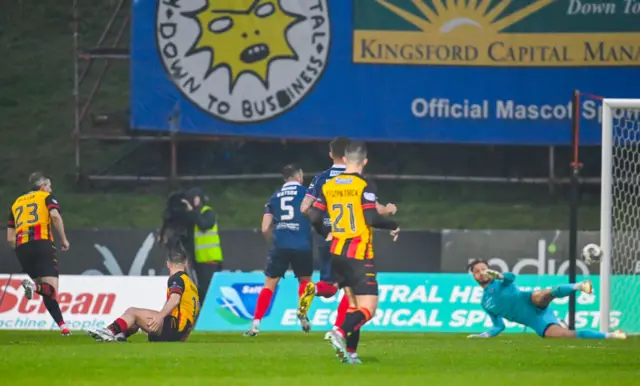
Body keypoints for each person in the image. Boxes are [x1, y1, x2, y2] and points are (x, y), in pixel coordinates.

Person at [308, 141, 400, 364]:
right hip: (359, 253)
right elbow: (371, 218)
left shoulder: (329, 185)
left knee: (353, 306)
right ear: (365, 162)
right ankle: (339, 332)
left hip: (337, 251)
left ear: (345, 160)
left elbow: (313, 216)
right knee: (368, 309)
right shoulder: (364, 185)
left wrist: (326, 232)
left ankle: (350, 353)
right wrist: (393, 225)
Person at [466, 259, 627, 340]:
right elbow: (499, 326)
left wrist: (500, 275)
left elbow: (512, 277)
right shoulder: (485, 303)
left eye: (484, 269)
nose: (481, 273)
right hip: (534, 320)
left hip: (529, 300)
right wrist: (484, 335)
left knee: (542, 294)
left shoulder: (500, 281)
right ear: (473, 276)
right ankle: (611, 336)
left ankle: (580, 286)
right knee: (565, 335)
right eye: (477, 271)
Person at [245, 164, 314, 336]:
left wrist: (274, 241)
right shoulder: (307, 194)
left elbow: (264, 227)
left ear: (285, 178)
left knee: (270, 284)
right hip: (302, 244)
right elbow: (314, 217)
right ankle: (303, 313)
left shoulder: (274, 197)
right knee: (305, 281)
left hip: (280, 245)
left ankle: (256, 323)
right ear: (299, 176)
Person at [6, 172, 71, 336]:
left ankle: (63, 327)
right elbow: (55, 216)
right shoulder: (45, 197)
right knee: (51, 290)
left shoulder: (16, 203)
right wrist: (63, 239)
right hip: (41, 243)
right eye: (49, 187)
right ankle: (34, 288)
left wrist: (20, 251)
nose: (50, 190)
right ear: (43, 187)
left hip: (22, 248)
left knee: (45, 290)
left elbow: (9, 238)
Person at [87, 251, 199, 342]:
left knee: (132, 312)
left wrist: (160, 316)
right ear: (186, 263)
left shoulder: (176, 278)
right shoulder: (191, 284)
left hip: (173, 329)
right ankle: (120, 336)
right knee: (137, 320)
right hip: (182, 332)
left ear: (168, 264)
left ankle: (110, 331)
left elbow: (175, 299)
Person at [158, 187, 222, 307]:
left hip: (209, 258)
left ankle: (205, 315)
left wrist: (191, 212)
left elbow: (204, 224)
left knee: (207, 289)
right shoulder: (192, 216)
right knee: (199, 289)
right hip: (198, 258)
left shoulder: (207, 212)